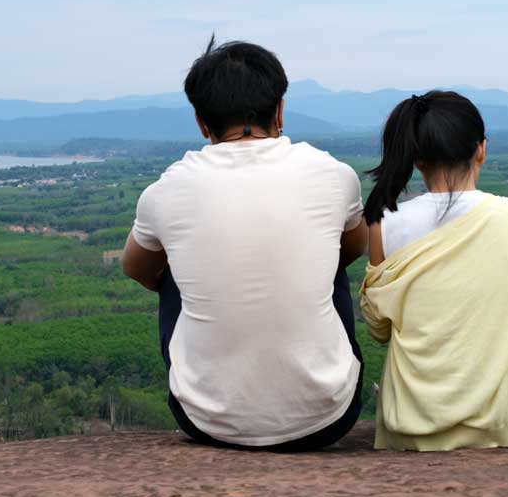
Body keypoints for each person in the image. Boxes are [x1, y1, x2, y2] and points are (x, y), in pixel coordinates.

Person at [122, 37, 367, 451]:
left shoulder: (167, 190)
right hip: (329, 418)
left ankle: (214, 389)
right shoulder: (334, 174)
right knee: (331, 262)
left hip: (206, 422)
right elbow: (355, 247)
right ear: (280, 110)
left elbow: (137, 268)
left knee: (173, 271)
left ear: (202, 122)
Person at [359, 91, 508, 451]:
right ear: (481, 150)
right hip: (500, 425)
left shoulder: (384, 223)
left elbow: (379, 330)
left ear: (417, 159)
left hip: (410, 426)